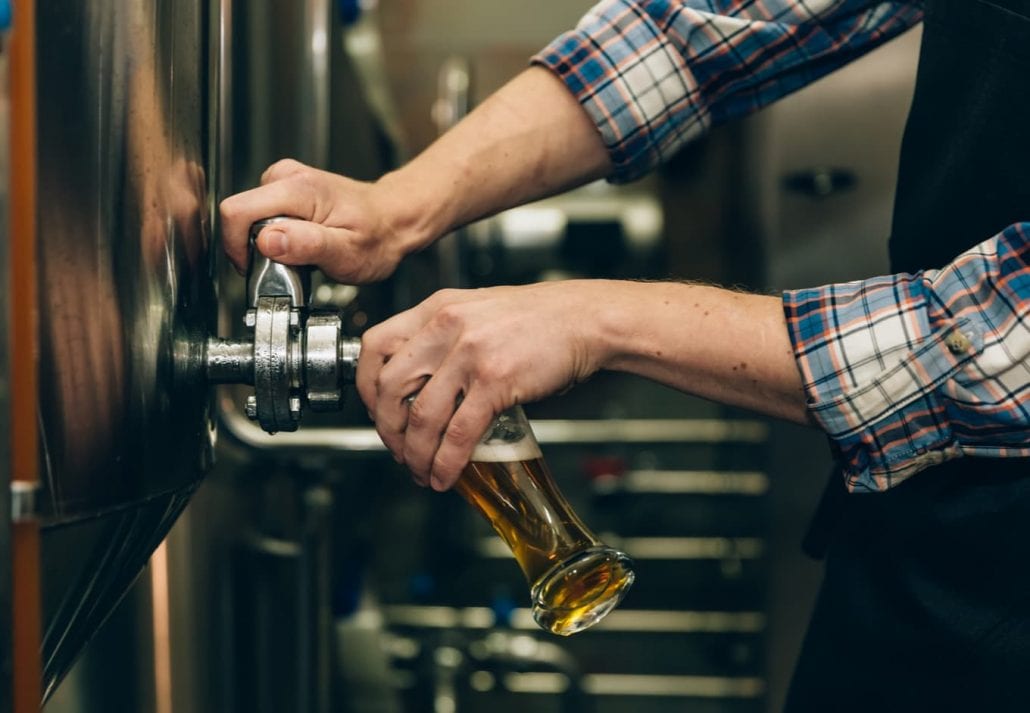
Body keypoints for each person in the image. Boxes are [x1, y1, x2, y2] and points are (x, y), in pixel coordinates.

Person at [221, 0, 1030, 709]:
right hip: (910, 552)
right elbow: (706, 27)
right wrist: (396, 206)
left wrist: (594, 318)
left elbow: (988, 337)